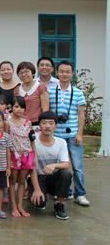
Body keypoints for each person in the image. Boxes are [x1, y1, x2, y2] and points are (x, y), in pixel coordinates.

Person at [48, 61, 89, 206]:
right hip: (55, 135)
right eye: (62, 71)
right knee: (57, 166)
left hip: (72, 135)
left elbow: (81, 114)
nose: (64, 74)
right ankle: (62, 191)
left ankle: (80, 194)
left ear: (72, 74)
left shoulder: (77, 92)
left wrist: (80, 134)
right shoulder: (50, 91)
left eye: (67, 72)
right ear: (57, 73)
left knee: (77, 166)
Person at [29, 111, 72, 220]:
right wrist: (37, 190)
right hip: (38, 177)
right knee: (39, 204)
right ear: (39, 125)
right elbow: (32, 167)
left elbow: (66, 164)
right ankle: (39, 193)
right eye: (44, 123)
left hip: (54, 178)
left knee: (66, 174)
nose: (47, 126)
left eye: (51, 123)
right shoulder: (33, 141)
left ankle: (60, 204)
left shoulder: (61, 142)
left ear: (56, 126)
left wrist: (54, 165)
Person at [8, 96, 35, 218]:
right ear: (12, 107)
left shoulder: (27, 122)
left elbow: (31, 140)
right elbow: (6, 141)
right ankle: (13, 206)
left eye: (22, 107)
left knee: (22, 181)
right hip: (14, 154)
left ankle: (20, 206)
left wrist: (34, 155)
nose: (19, 109)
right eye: (16, 106)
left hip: (26, 154)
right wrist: (8, 159)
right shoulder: (7, 122)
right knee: (12, 181)